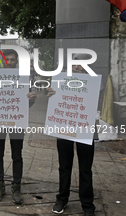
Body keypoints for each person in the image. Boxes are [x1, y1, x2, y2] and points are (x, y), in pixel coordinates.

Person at [0, 49, 37, 203]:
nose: (10, 62)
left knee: (17, 155)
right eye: (7, 60)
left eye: (12, 60)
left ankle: (16, 187)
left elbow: (27, 104)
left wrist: (32, 99)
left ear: (17, 61)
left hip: (17, 122)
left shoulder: (23, 78)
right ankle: (0, 185)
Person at [50, 53, 96, 216]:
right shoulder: (61, 82)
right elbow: (54, 101)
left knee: (85, 169)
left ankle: (88, 205)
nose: (77, 67)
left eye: (81, 65)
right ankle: (62, 199)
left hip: (85, 129)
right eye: (74, 65)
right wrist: (51, 94)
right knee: (64, 166)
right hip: (64, 128)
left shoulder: (95, 82)